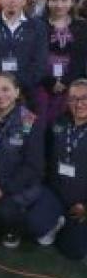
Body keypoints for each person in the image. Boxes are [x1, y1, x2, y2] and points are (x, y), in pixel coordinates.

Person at [0, 72, 60, 248]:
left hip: (16, 185)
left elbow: (33, 167)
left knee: (5, 217)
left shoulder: (30, 121)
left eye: (6, 89)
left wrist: (4, 189)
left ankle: (26, 223)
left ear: (17, 92)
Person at [0, 0, 48, 109]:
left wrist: (17, 85)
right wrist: (2, 85)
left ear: (24, 0)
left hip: (27, 92)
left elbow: (40, 62)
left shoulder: (38, 27)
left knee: (25, 127)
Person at [44, 79, 87, 260]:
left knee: (74, 251)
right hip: (55, 195)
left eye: (85, 98)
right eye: (73, 98)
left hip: (81, 203)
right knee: (35, 228)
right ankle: (59, 221)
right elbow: (45, 157)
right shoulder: (58, 123)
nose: (78, 104)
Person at [34, 0, 87, 125]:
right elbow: (35, 56)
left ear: (71, 2)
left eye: (64, 0)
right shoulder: (38, 25)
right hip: (43, 81)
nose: (59, 5)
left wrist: (65, 81)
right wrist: (50, 81)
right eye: (54, 0)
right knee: (39, 118)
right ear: (48, 2)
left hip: (72, 82)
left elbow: (80, 59)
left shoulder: (82, 26)